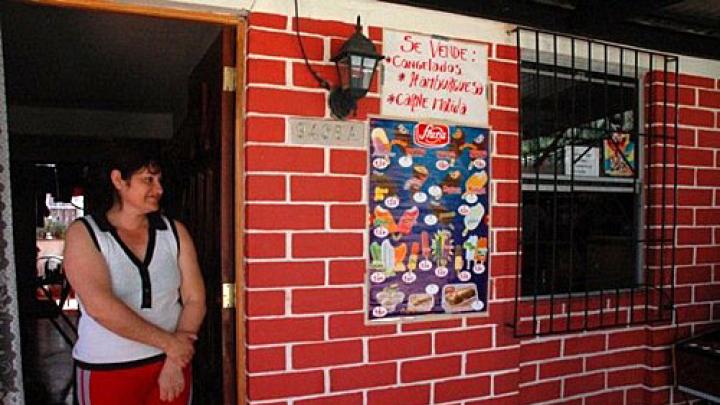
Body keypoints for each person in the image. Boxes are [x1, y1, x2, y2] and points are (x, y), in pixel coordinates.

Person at [63, 150, 205, 404]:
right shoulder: (85, 233)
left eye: (159, 180)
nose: (158, 189)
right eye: (148, 180)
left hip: (169, 366)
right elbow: (100, 306)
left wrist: (174, 358)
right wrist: (171, 345)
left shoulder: (173, 231)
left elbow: (195, 298)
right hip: (108, 368)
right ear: (118, 180)